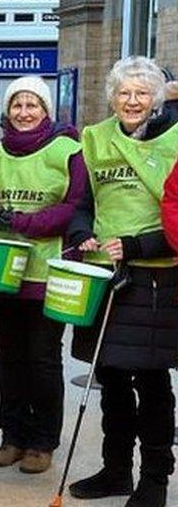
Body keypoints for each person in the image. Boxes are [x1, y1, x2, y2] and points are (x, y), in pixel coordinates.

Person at [67, 56, 178, 507]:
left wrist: (135, 246)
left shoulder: (175, 141)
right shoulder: (95, 139)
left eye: (141, 92)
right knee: (109, 379)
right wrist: (80, 232)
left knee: (151, 384)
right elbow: (82, 202)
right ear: (110, 97)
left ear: (158, 97)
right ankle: (116, 471)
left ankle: (154, 481)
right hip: (106, 276)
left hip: (158, 277)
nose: (131, 101)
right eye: (123, 93)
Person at [0, 76, 83, 474]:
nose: (24, 112)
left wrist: (26, 223)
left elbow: (76, 205)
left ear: (46, 110)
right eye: (17, 105)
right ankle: (12, 435)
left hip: (47, 270)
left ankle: (42, 441)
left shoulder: (67, 149)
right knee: (8, 356)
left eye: (32, 104)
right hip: (4, 271)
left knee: (43, 358)